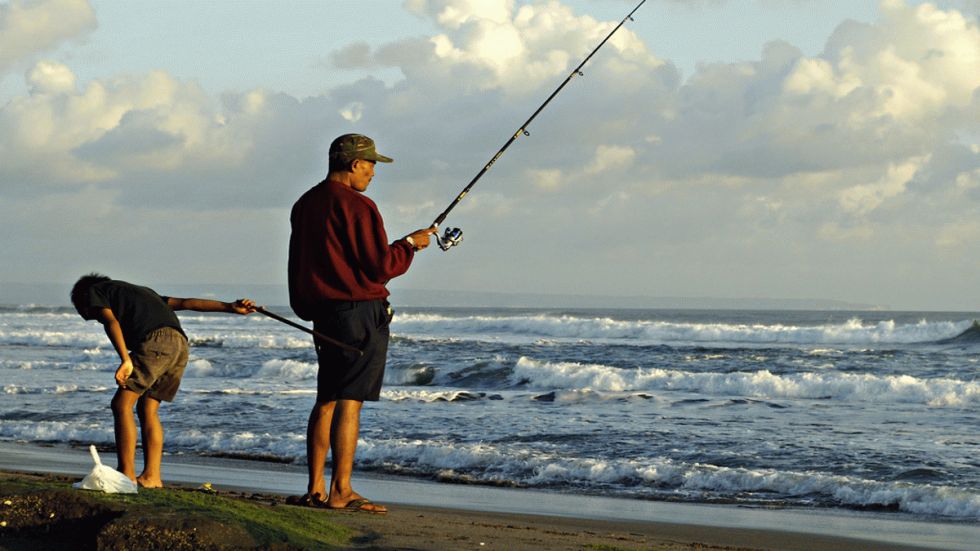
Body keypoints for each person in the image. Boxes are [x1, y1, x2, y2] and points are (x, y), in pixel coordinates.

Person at [287, 133, 434, 513]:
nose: (372, 174)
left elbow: (301, 264)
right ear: (354, 164)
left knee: (327, 399)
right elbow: (380, 266)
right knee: (350, 402)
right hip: (359, 314)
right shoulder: (359, 206)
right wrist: (410, 245)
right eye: (370, 166)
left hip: (323, 314)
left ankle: (316, 487)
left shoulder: (305, 204)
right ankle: (342, 491)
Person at [70, 273, 255, 488]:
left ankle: (126, 474)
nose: (93, 316)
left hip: (156, 342)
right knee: (148, 409)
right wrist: (230, 307)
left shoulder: (94, 291)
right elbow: (187, 303)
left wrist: (126, 359)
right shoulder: (143, 292)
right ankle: (152, 477)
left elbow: (111, 322)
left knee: (121, 404)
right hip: (179, 345)